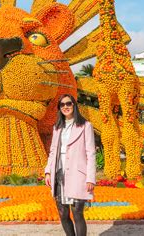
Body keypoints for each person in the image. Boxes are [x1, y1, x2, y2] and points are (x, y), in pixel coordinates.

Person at [44, 94, 96, 236]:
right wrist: (48, 171)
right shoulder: (57, 127)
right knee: (62, 213)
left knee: (77, 212)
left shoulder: (85, 126)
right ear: (59, 108)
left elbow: (90, 153)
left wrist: (90, 178)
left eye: (68, 104)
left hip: (77, 174)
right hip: (59, 173)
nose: (65, 107)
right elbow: (53, 150)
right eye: (62, 105)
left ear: (74, 105)